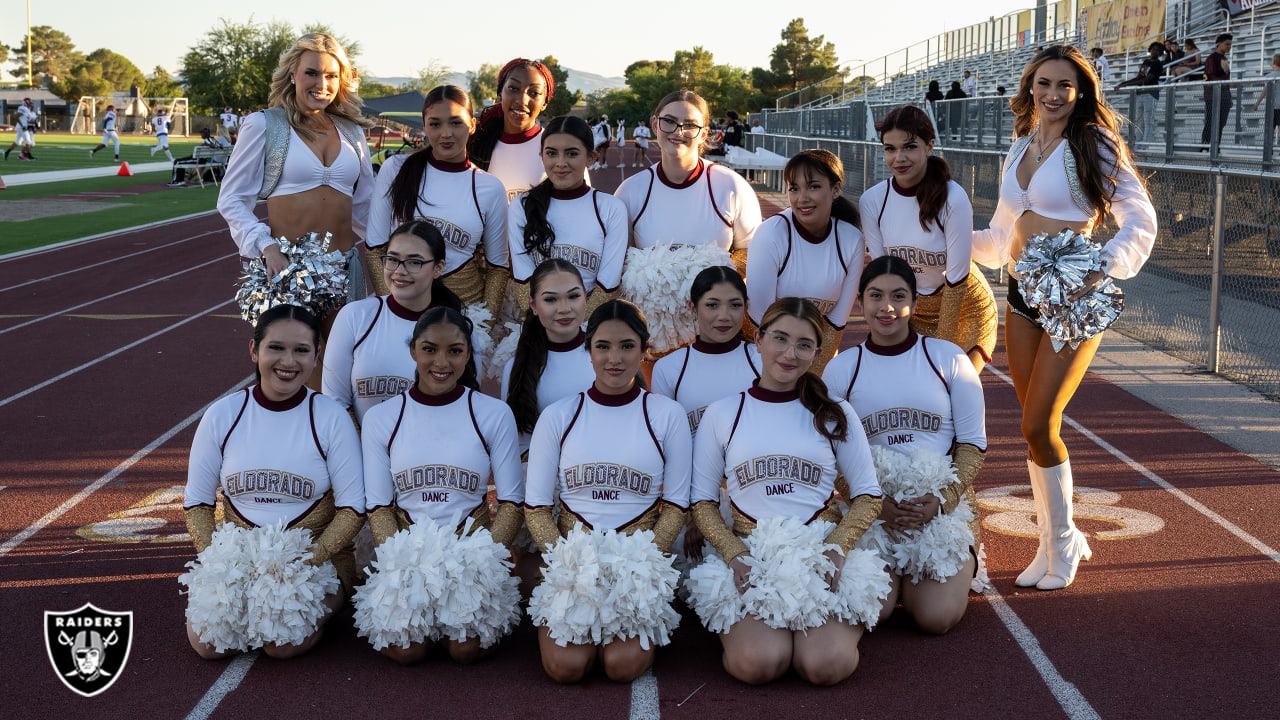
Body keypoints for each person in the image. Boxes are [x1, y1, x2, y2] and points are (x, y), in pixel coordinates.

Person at [972, 45, 1156, 591]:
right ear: (1030, 86)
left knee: (1038, 423)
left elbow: (1138, 216)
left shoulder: (1094, 142)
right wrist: (943, 243)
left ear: (1081, 94)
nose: (1053, 94)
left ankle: (1065, 538)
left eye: (1065, 86)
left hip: (1073, 297)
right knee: (1032, 427)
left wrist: (1102, 265)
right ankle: (1053, 542)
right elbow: (1005, 232)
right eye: (1044, 83)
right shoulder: (1021, 145)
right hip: (1021, 293)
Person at [688, 297, 885, 686]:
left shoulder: (834, 412)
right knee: (759, 664)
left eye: (804, 344)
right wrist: (734, 554)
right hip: (751, 558)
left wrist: (837, 548)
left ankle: (818, 635)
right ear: (758, 340)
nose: (789, 354)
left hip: (821, 555)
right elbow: (703, 501)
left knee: (824, 666)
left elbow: (868, 494)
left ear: (817, 351)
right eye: (779, 338)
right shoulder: (723, 413)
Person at [182, 304, 365, 660]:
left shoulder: (331, 418)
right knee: (207, 646)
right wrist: (218, 561)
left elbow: (352, 508)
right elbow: (198, 502)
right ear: (254, 350)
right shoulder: (223, 415)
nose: (288, 361)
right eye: (276, 348)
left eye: (301, 350)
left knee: (282, 644)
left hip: (313, 562)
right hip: (239, 559)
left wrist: (310, 558)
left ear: (317, 356)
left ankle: (324, 607)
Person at [524, 300, 691, 683]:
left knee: (621, 666)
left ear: (644, 349)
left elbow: (677, 504)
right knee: (565, 668)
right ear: (588, 349)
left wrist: (641, 564)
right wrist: (570, 566)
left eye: (627, 346)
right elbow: (535, 508)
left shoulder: (667, 415)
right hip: (573, 568)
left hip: (638, 570)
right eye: (603, 346)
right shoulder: (559, 416)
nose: (614, 358)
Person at [823, 256, 985, 629]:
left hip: (938, 508)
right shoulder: (842, 368)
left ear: (915, 301)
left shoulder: (948, 357)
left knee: (935, 618)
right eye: (876, 296)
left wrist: (942, 500)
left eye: (899, 296)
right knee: (872, 613)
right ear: (861, 301)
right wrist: (871, 503)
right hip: (874, 507)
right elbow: (830, 454)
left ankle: (957, 561)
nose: (887, 307)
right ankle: (899, 578)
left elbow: (973, 444)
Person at [359, 305, 523, 664]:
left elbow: (511, 503)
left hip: (472, 558)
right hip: (408, 560)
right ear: (413, 349)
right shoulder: (381, 418)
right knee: (407, 652)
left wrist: (483, 562)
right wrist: (402, 566)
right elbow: (379, 506)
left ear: (469, 353)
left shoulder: (493, 414)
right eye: (430, 349)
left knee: (463, 650)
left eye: (455, 351)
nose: (442, 362)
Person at [217, 32, 376, 317]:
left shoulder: (352, 132)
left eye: (331, 75)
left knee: (344, 361)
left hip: (346, 270)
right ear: (293, 74)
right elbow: (232, 199)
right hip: (290, 269)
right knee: (295, 361)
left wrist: (402, 251)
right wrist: (267, 247)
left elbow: (366, 208)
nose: (322, 84)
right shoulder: (264, 125)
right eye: (311, 73)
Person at [614, 89, 761, 353]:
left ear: (704, 133)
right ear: (655, 124)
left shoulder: (731, 186)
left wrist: (701, 281)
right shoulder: (630, 191)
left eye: (690, 125)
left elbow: (753, 251)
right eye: (669, 121)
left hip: (716, 334)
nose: (678, 131)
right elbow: (621, 260)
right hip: (655, 338)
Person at [860, 105, 997, 373]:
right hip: (910, 311)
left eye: (909, 147)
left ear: (929, 146)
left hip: (965, 309)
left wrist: (942, 354)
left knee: (952, 389)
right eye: (890, 148)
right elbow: (884, 276)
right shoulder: (872, 201)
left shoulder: (953, 198)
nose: (899, 157)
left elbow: (957, 279)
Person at [366, 85, 508, 307]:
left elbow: (498, 267)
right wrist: (393, 310)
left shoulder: (490, 188)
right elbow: (375, 249)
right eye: (435, 124)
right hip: (401, 306)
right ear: (424, 126)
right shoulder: (395, 169)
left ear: (472, 125)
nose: (446, 134)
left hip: (463, 314)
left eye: (455, 122)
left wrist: (483, 329)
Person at [323, 221, 468, 426]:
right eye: (392, 260)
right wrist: (369, 451)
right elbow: (335, 403)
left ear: (438, 268)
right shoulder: (355, 316)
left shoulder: (458, 327)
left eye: (414, 262)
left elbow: (465, 405)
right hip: (361, 453)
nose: (399, 271)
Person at [746, 149, 863, 374]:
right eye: (794, 188)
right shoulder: (771, 235)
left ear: (836, 189)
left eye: (814, 186)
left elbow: (837, 321)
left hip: (817, 354)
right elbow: (760, 319)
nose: (802, 198)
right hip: (764, 356)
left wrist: (812, 376)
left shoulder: (851, 239)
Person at [508, 116, 626, 309]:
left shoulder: (611, 208)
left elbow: (608, 283)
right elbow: (524, 281)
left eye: (571, 154)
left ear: (591, 158)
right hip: (538, 325)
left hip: (589, 329)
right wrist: (551, 324)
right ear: (542, 156)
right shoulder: (522, 206)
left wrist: (576, 328)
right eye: (552, 153)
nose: (560, 163)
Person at [501, 259, 595, 456]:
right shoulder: (516, 366)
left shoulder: (606, 357)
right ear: (534, 306)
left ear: (586, 298)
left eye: (573, 296)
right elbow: (519, 446)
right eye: (551, 299)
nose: (564, 308)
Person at [651, 266, 761, 432]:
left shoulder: (763, 360)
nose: (724, 316)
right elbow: (664, 438)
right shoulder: (668, 368)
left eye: (735, 305)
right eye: (712, 305)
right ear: (693, 308)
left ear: (746, 307)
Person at [470, 58, 557, 198]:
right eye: (513, 88)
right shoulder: (474, 144)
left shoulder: (558, 149)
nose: (522, 100)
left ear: (545, 102)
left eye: (534, 93)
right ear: (500, 93)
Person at [1117, 42, 1166, 145]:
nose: (1154, 51)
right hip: (1140, 94)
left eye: (1157, 50)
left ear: (1160, 53)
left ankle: (1146, 144)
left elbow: (1147, 80)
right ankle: (1139, 142)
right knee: (1139, 120)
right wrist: (1124, 83)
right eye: (1153, 49)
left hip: (1151, 94)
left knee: (1148, 120)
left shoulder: (1158, 64)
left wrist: (1127, 85)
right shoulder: (1146, 62)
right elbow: (1139, 77)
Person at [1201, 34, 1234, 148]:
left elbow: (1225, 78)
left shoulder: (1224, 59)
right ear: (1218, 44)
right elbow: (1210, 76)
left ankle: (1216, 146)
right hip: (1212, 96)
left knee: (1221, 123)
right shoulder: (1212, 58)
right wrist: (1227, 83)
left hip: (1224, 96)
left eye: (1230, 44)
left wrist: (1229, 93)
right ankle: (1205, 146)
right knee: (1211, 122)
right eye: (1226, 44)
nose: (1229, 46)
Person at [1252, 53, 1280, 145]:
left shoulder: (1269, 76)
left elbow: (1265, 91)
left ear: (1274, 63)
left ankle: (1269, 149)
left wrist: (1257, 103)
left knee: (1270, 129)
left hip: (1271, 107)